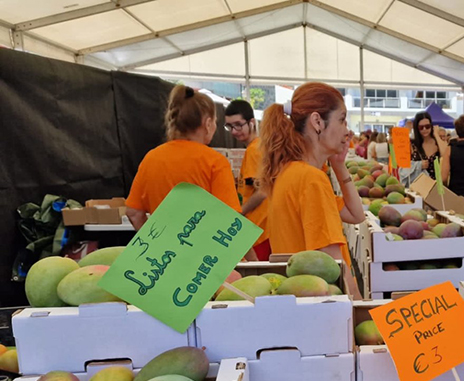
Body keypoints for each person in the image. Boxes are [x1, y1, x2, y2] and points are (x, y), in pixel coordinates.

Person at [260, 82, 367, 299]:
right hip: (321, 302)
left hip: (300, 297)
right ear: (317, 122)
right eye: (342, 119)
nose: (347, 130)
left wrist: (339, 165)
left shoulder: (290, 172)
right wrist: (358, 305)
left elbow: (356, 215)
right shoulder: (312, 180)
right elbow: (333, 262)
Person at [126, 85, 240, 232]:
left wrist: (152, 239)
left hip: (162, 245)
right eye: (215, 122)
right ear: (207, 124)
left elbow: (134, 213)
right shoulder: (215, 162)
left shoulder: (151, 158)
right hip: (201, 244)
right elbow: (230, 219)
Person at [225, 99, 270, 261]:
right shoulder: (259, 147)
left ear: (251, 122)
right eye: (229, 126)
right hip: (263, 227)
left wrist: (240, 212)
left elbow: (263, 191)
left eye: (238, 125)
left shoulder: (253, 150)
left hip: (260, 228)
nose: (234, 131)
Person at [411, 111, 448, 179]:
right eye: (421, 127)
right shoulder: (412, 145)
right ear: (417, 128)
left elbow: (445, 154)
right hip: (418, 183)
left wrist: (436, 135)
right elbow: (404, 167)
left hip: (436, 183)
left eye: (427, 126)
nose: (424, 129)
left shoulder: (438, 142)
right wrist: (419, 165)